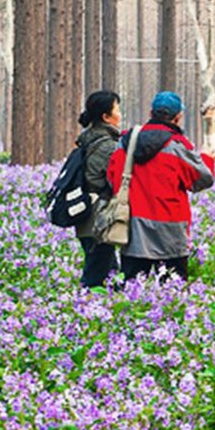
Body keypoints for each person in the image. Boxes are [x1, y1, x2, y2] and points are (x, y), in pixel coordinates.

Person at [106, 91, 215, 283]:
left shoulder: (126, 142)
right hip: (171, 233)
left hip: (134, 232)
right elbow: (203, 179)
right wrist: (207, 157)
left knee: (133, 291)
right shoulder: (179, 147)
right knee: (172, 295)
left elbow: (112, 178)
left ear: (151, 113)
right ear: (178, 118)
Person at [75, 90, 122, 288]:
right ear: (106, 117)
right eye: (117, 109)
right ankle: (85, 312)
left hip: (89, 217)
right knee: (96, 277)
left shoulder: (90, 140)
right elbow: (103, 181)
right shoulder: (107, 146)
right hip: (99, 218)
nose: (120, 114)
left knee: (109, 272)